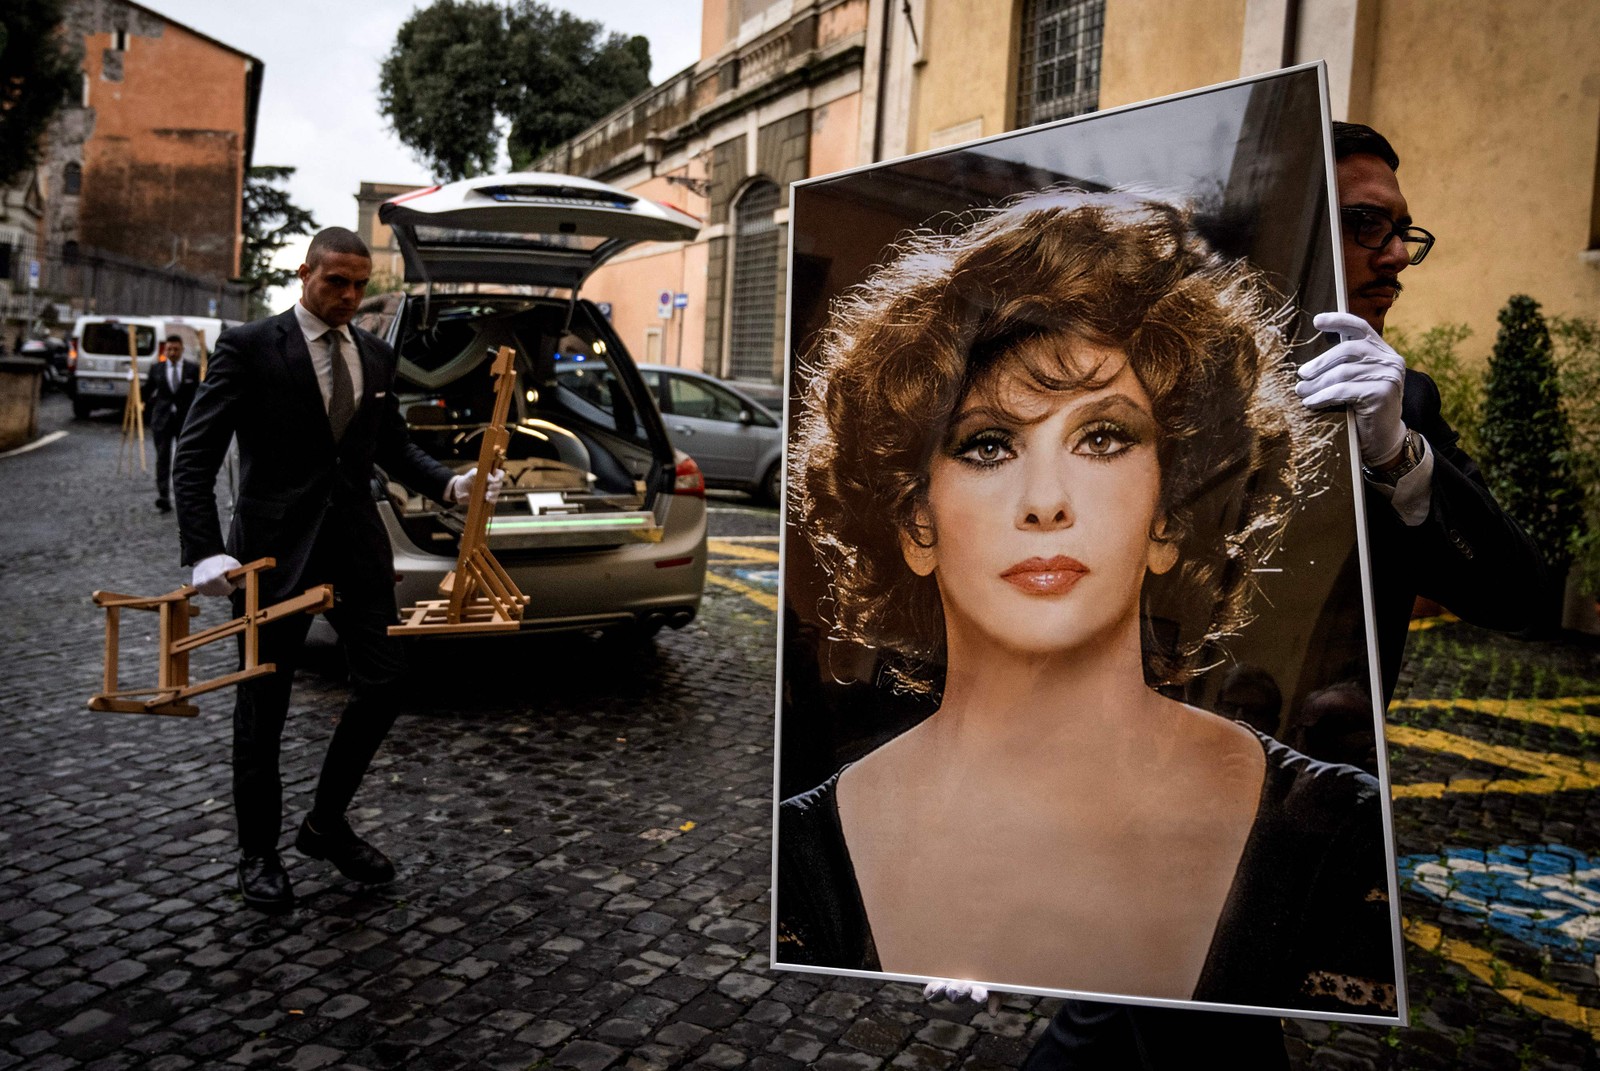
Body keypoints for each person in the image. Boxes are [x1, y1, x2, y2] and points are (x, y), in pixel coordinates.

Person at [778, 190, 1397, 1015]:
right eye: (988, 444)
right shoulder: (800, 857)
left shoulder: (1338, 835)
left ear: (1171, 512)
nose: (1045, 502)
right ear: (916, 521)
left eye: (1102, 437)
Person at [1016, 123, 1549, 1070]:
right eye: (1366, 226)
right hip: (1133, 793)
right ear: (1303, 242)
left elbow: (1521, 599)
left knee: (1157, 1017)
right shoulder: (1150, 397)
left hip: (1287, 810)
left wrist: (1401, 459)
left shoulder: (1401, 407)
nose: (1394, 256)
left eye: (1404, 233)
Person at [173, 227, 502, 912]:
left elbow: (394, 447)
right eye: (336, 283)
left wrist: (452, 486)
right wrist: (206, 549)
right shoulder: (251, 346)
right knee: (263, 707)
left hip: (356, 546)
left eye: (359, 284)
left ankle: (324, 824)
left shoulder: (378, 356)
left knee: (386, 683)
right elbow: (194, 456)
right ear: (305, 274)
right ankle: (257, 852)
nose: (350, 296)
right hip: (270, 556)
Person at [145, 334, 198, 512]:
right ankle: (163, 496)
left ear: (182, 349)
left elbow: (200, 392)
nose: (172, 352)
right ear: (165, 350)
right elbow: (146, 392)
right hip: (162, 420)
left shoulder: (193, 369)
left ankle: (186, 497)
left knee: (185, 459)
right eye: (169, 349)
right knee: (162, 458)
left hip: (185, 421)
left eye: (176, 349)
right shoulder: (156, 369)